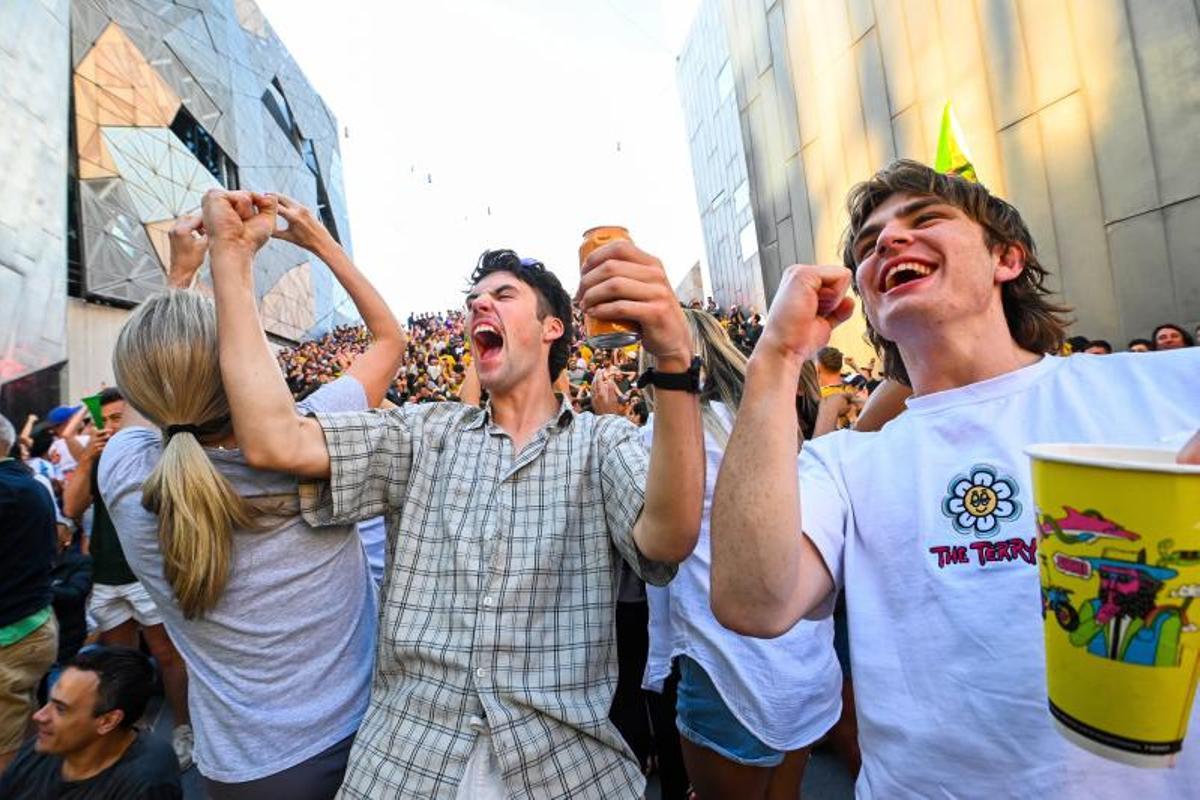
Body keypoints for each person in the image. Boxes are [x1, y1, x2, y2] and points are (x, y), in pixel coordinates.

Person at [710, 159, 1200, 797]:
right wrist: (775, 358)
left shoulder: (1174, 386)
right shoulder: (846, 464)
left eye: (925, 219)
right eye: (869, 242)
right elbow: (753, 601)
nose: (887, 240)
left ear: (1008, 259)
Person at [202, 188, 704, 798]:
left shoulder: (603, 444)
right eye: (472, 301)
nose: (477, 308)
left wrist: (675, 362)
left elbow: (668, 539)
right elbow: (274, 441)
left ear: (553, 328)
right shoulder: (422, 434)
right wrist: (230, 260)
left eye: (501, 295)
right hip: (405, 767)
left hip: (566, 771)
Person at [97, 200, 404, 798]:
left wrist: (181, 277)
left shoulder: (127, 475)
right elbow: (389, 341)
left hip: (237, 768)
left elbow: (154, 391)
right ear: (242, 370)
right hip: (362, 738)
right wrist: (317, 243)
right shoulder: (312, 439)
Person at [640, 309, 841, 800]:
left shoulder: (661, 440)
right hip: (802, 654)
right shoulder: (769, 426)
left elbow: (649, 540)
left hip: (725, 662)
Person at [61, 387, 192, 770]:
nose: (110, 427)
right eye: (104, 420)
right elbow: (71, 506)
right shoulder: (98, 459)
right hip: (107, 575)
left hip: (147, 574)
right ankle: (130, 732)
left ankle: (183, 728)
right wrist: (87, 459)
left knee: (167, 655)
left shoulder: (153, 453)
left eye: (118, 418)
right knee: (121, 661)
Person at [0, 647, 181, 799]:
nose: (39, 716)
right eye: (49, 702)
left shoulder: (145, 783)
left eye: (60, 709)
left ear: (108, 721)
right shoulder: (40, 752)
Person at [0, 414, 59, 774]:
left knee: (6, 748)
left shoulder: (10, 489)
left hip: (11, 640)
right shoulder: (29, 483)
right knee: (21, 735)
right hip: (32, 626)